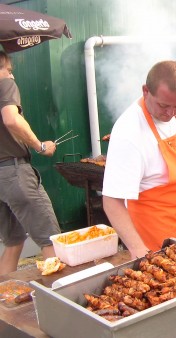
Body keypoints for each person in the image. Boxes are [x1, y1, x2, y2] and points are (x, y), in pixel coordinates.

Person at [102, 61, 176, 259]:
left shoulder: (175, 106)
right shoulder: (129, 131)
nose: (170, 113)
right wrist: (138, 250)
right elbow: (112, 201)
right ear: (146, 91)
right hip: (154, 248)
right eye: (164, 106)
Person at [0, 51, 61, 275]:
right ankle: (57, 303)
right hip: (13, 173)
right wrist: (40, 145)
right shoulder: (4, 85)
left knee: (13, 243)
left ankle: (4, 309)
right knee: (51, 240)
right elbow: (11, 118)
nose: (11, 76)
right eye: (9, 70)